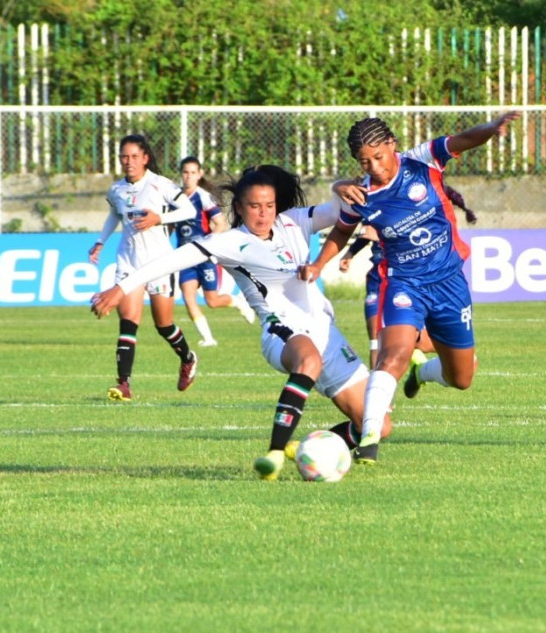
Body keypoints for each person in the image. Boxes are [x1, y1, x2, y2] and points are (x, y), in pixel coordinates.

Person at [91, 165, 392, 479]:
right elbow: (171, 260)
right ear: (238, 207)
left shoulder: (296, 221)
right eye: (254, 206)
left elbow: (340, 210)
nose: (263, 214)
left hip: (325, 332)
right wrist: (121, 288)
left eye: (269, 205)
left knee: (377, 426)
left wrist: (341, 186)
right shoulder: (231, 242)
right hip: (282, 330)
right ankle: (275, 454)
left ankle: (306, 450)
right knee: (309, 360)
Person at [299, 112, 520, 463]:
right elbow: (342, 230)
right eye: (364, 162)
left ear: (392, 145)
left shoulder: (423, 161)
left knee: (462, 377)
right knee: (393, 355)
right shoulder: (361, 194)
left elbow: (464, 139)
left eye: (378, 157)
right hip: (402, 282)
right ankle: (370, 436)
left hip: (449, 283)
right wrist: (318, 263)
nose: (374, 167)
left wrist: (491, 129)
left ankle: (423, 371)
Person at [88, 134, 200, 402]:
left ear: (145, 158)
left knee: (164, 325)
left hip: (159, 263)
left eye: (134, 157)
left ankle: (187, 358)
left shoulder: (160, 184)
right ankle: (123, 384)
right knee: (128, 321)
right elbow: (114, 214)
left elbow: (189, 212)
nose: (129, 162)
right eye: (124, 157)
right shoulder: (116, 190)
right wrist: (100, 241)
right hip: (128, 261)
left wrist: (159, 218)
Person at [337, 185, 476, 367]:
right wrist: (350, 253)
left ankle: (449, 357)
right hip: (378, 277)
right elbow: (366, 233)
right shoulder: (375, 201)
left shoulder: (415, 205)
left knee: (403, 339)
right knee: (377, 338)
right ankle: (379, 382)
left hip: (403, 280)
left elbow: (380, 233)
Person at [174, 156, 255, 347]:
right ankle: (208, 339)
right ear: (181, 174)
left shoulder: (203, 197)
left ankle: (237, 301)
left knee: (212, 301)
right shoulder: (175, 198)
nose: (188, 176)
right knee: (189, 298)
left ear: (199, 174)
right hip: (185, 257)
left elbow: (220, 223)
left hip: (203, 256)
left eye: (193, 172)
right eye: (185, 172)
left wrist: (208, 245)